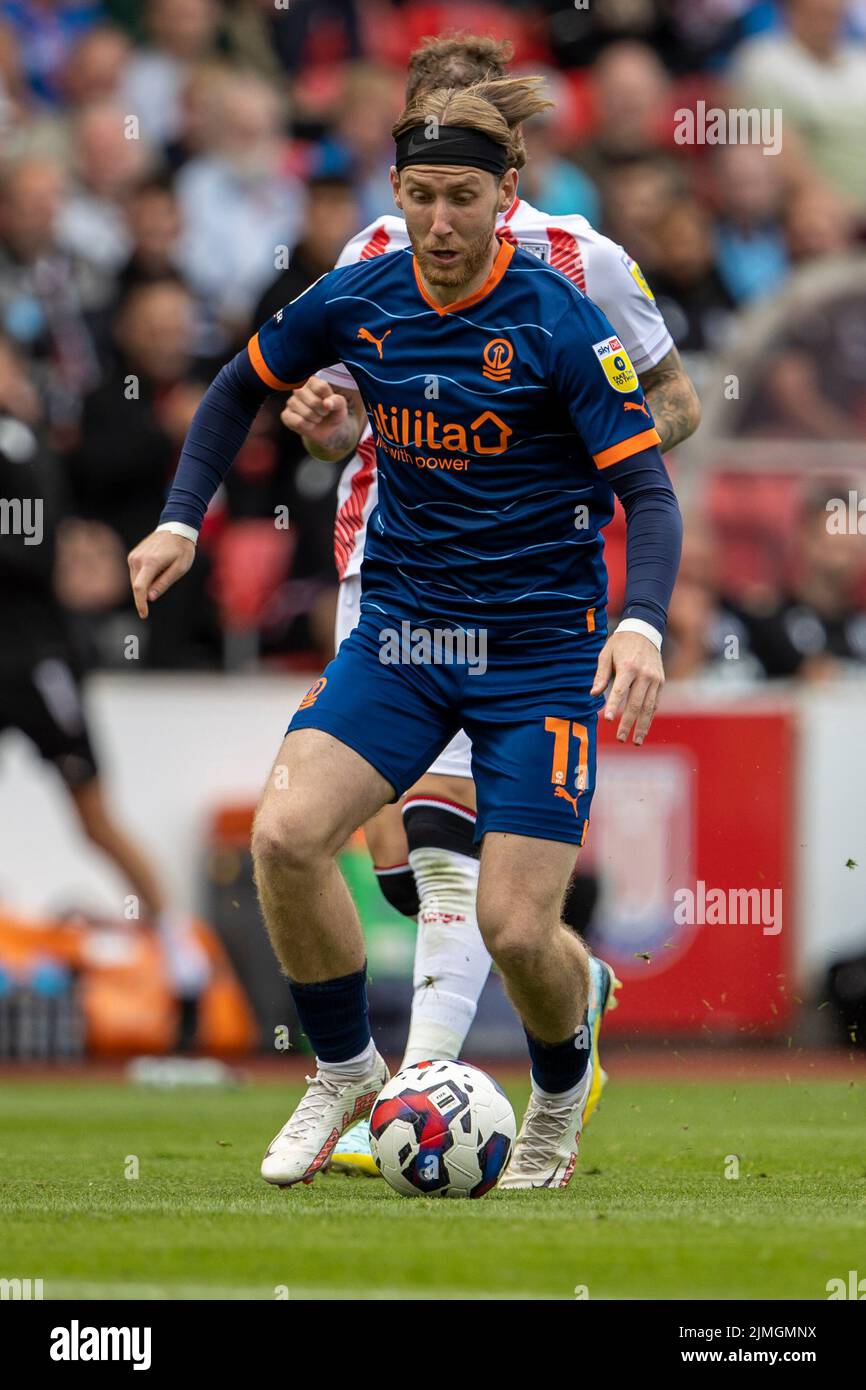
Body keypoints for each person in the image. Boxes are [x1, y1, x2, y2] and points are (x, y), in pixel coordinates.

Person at [127, 75, 683, 1190]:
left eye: (461, 199)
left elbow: (653, 495)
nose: (438, 221)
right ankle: (343, 1067)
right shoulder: (359, 292)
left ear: (504, 195)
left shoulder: (561, 314)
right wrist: (181, 518)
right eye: (420, 195)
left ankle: (557, 1102)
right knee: (284, 838)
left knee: (517, 926)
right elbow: (237, 386)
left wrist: (640, 625)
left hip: (534, 656)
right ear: (395, 191)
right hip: (403, 639)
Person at [280, 33, 700, 1176]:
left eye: (460, 172)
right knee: (404, 863)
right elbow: (335, 397)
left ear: (507, 163)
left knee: (445, 825)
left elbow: (673, 402)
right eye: (417, 172)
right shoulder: (369, 252)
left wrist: (563, 455)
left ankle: (414, 1090)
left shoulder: (582, 262)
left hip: (520, 580)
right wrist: (329, 421)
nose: (432, 201)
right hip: (387, 556)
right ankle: (560, 986)